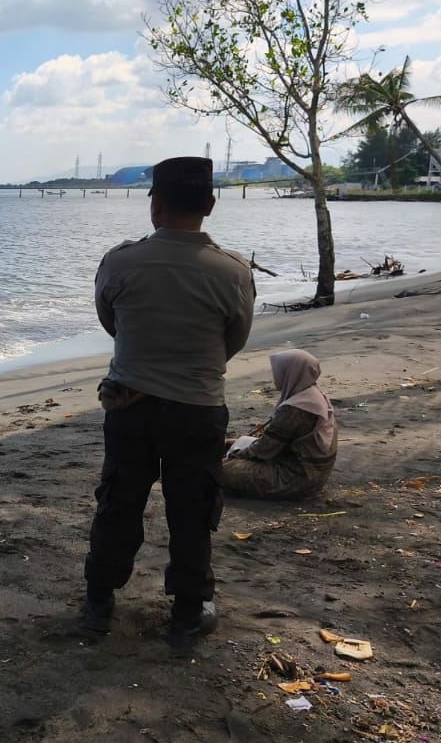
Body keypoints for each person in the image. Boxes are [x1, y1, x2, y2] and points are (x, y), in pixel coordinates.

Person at [83, 156, 256, 646]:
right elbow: (235, 339)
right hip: (197, 407)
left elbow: (109, 319)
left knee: (118, 502)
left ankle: (99, 601)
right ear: (210, 205)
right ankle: (187, 610)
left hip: (128, 403)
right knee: (192, 510)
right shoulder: (232, 272)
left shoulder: (119, 262)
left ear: (155, 205)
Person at [222, 349, 337, 500]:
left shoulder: (297, 409)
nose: (275, 375)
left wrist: (232, 455)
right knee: (229, 444)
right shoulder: (311, 396)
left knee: (219, 468)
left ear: (291, 372)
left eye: (278, 370)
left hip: (295, 479)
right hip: (309, 473)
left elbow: (263, 450)